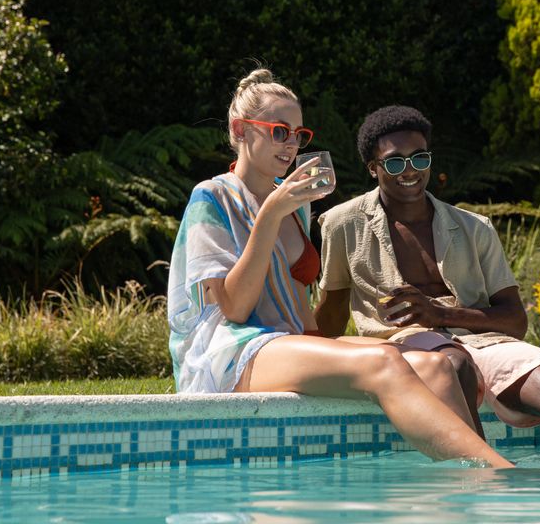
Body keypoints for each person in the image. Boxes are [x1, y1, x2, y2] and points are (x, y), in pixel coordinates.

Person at [167, 70, 512, 467]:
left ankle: (457, 499)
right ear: (241, 130)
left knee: (434, 366)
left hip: (287, 341)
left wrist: (326, 346)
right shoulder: (212, 198)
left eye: (299, 134)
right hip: (235, 351)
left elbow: (296, 301)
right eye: (280, 131)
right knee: (382, 361)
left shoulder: (296, 204)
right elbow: (235, 309)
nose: (292, 144)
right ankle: (496, 475)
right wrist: (269, 215)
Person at [314, 105, 540, 463]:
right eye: (395, 162)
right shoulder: (343, 224)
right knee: (455, 366)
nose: (411, 171)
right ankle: (484, 495)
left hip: (485, 341)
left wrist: (437, 312)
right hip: (408, 346)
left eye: (419, 158)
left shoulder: (475, 227)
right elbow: (333, 314)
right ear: (374, 168)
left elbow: (515, 321)